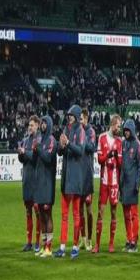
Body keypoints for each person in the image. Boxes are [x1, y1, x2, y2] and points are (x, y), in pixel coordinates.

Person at [54, 105, 86, 259]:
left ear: (77, 116)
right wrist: (60, 145)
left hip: (76, 177)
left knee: (76, 214)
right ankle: (62, 247)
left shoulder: (81, 131)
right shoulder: (66, 130)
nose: (69, 117)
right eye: (68, 115)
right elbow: (60, 152)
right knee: (64, 215)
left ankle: (74, 246)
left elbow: (80, 151)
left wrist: (67, 144)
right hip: (66, 177)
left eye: (72, 115)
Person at [94, 114, 123, 253]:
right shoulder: (102, 137)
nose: (119, 129)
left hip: (114, 183)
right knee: (100, 212)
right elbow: (100, 160)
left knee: (113, 212)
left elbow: (121, 164)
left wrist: (116, 156)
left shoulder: (119, 141)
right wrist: (108, 155)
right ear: (112, 125)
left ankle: (111, 243)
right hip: (104, 182)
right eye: (118, 126)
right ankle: (97, 244)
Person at [33, 116, 57, 258]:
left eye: (44, 123)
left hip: (48, 182)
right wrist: (33, 151)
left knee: (48, 214)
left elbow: (48, 158)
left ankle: (49, 247)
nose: (42, 125)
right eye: (41, 123)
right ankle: (43, 246)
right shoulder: (40, 139)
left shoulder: (52, 140)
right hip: (39, 182)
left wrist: (39, 148)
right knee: (41, 215)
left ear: (49, 125)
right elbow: (36, 159)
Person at [18, 115, 42, 253]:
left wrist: (24, 152)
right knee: (28, 212)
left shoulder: (39, 140)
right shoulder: (25, 140)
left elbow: (34, 157)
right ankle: (29, 242)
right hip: (26, 180)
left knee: (37, 211)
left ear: (37, 125)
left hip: (36, 180)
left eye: (32, 125)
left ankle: (38, 242)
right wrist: (20, 154)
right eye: (29, 125)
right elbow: (23, 159)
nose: (30, 127)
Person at [120, 118, 140, 253]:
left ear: (132, 130)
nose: (126, 132)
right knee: (125, 214)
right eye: (125, 130)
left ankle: (135, 241)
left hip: (133, 183)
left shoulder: (137, 145)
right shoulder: (123, 143)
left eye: (128, 130)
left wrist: (137, 183)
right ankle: (129, 239)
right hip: (124, 184)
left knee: (134, 214)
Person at [79, 108, 96, 252]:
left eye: (81, 119)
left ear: (86, 119)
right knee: (79, 211)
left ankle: (90, 239)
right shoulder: (76, 131)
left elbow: (91, 147)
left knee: (89, 210)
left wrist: (82, 137)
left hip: (88, 176)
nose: (80, 121)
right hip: (78, 176)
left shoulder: (90, 132)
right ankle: (83, 239)